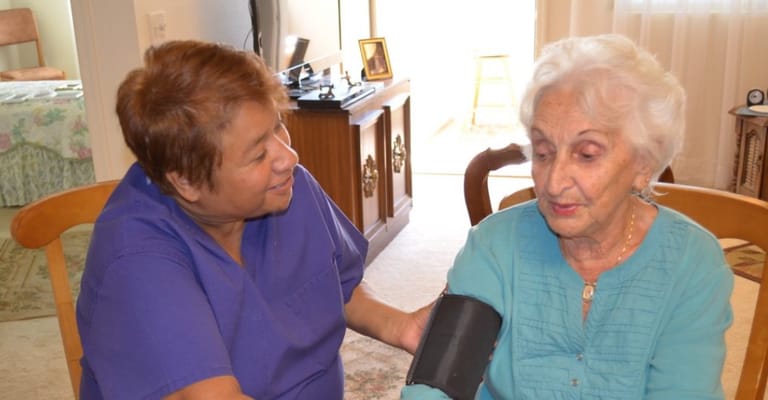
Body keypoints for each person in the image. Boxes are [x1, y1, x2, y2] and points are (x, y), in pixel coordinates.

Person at [76, 40, 429, 400]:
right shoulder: (137, 262)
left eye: (278, 125)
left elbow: (335, 283)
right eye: (259, 153)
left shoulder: (286, 191)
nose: (288, 156)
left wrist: (400, 327)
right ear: (187, 180)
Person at [402, 34, 734, 399]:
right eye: (544, 153)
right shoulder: (493, 246)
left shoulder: (692, 263)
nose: (555, 182)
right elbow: (434, 388)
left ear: (645, 163)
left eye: (587, 154)